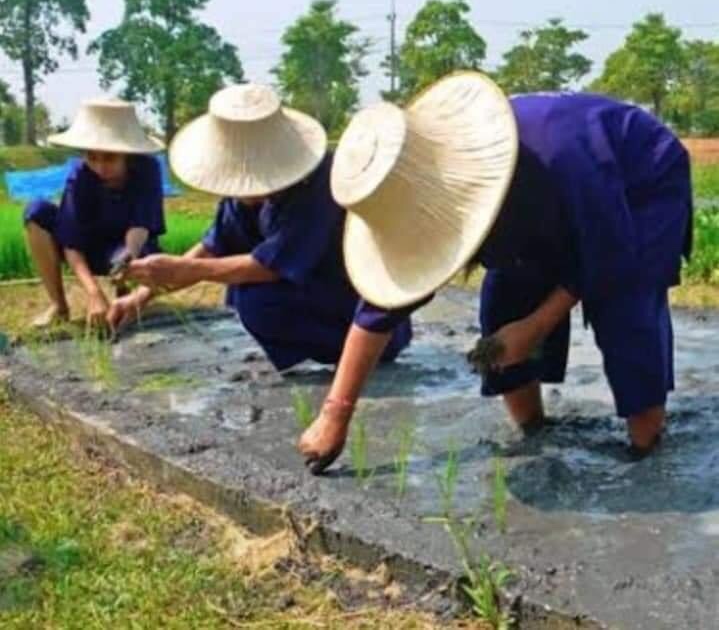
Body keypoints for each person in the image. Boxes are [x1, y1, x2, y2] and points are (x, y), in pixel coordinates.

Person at [298, 71, 692, 472]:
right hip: (544, 199)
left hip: (637, 182)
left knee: (625, 311)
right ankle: (536, 431)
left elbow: (606, 251)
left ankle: (649, 447)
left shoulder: (560, 154)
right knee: (504, 303)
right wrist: (335, 414)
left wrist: (536, 327)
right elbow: (379, 310)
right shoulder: (425, 193)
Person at [107, 83, 412, 372]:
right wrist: (141, 296)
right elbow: (213, 248)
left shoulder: (322, 184)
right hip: (309, 302)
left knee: (253, 299)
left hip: (365, 321)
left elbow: (271, 267)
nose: (243, 190)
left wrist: (191, 271)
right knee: (238, 292)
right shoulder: (241, 198)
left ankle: (352, 363)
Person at [24, 98, 166, 328]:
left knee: (141, 253)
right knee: (36, 211)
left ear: (126, 155)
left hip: (126, 247)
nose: (100, 167)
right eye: (92, 157)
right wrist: (93, 292)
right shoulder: (80, 174)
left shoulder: (147, 169)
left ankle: (127, 298)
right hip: (89, 245)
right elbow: (71, 240)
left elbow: (140, 225)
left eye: (109, 158)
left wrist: (128, 255)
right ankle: (58, 306)